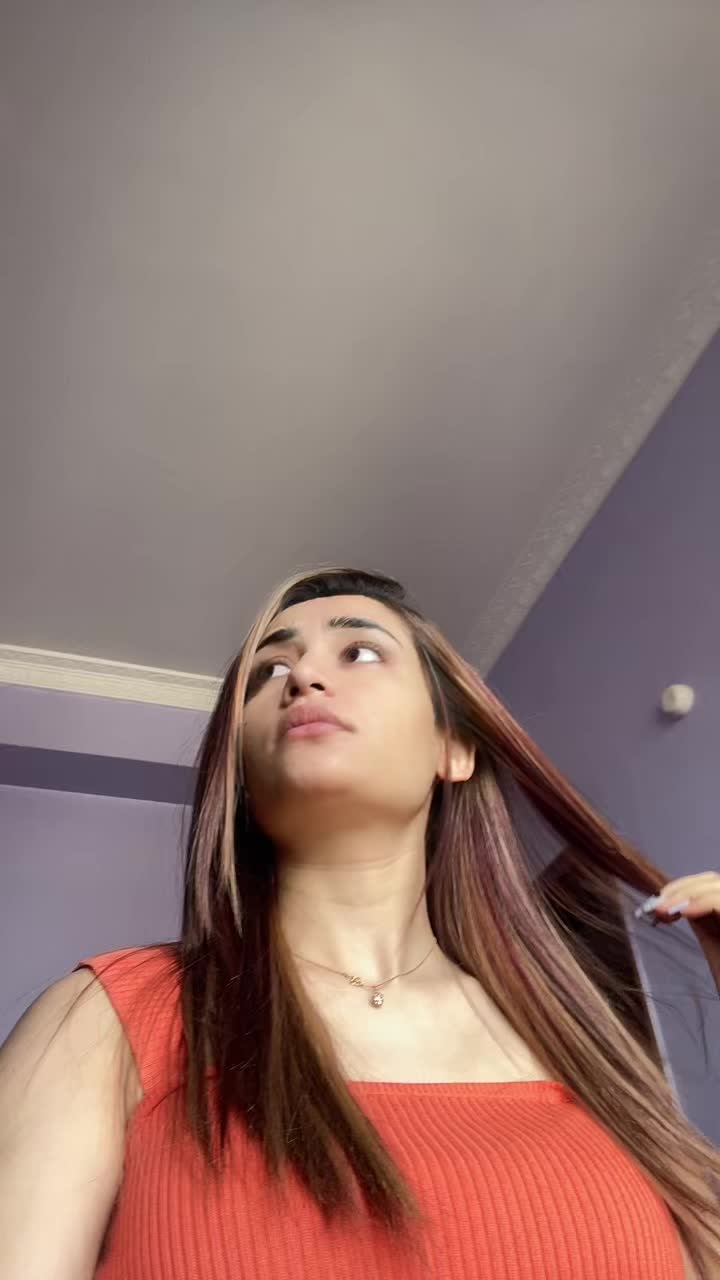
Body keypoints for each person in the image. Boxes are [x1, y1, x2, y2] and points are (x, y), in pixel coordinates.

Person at [1, 566, 719, 1279]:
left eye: (361, 652)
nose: (302, 677)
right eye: (266, 673)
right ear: (239, 771)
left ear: (452, 749)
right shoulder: (107, 1017)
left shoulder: (579, 1048)